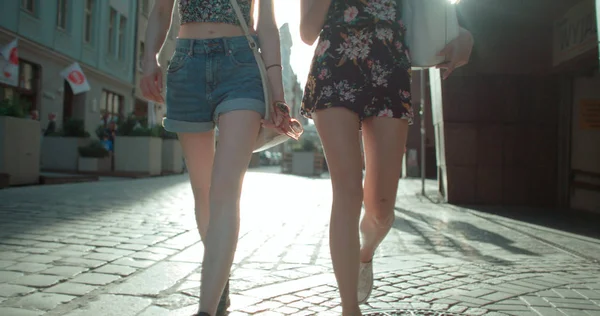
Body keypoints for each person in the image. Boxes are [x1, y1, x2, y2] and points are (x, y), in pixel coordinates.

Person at [299, 1, 473, 315]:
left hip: (389, 66)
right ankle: (349, 308)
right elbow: (307, 32)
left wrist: (463, 32)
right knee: (348, 192)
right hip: (334, 65)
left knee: (381, 210)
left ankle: (364, 253)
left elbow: (436, 9)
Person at [140, 1, 286, 315]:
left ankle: (206, 309)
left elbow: (268, 24)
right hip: (186, 65)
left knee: (225, 189)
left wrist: (278, 94)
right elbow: (162, 10)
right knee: (202, 190)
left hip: (241, 66)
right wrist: (149, 57)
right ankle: (219, 273)